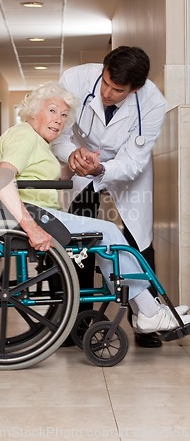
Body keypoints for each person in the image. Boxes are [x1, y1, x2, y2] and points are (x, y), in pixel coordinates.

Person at [0, 82, 190, 335]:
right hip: (36, 216)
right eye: (52, 111)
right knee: (110, 234)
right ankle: (149, 312)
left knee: (108, 234)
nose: (59, 120)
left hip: (41, 213)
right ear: (32, 112)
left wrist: (73, 166)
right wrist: (31, 228)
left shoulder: (36, 141)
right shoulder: (24, 136)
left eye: (64, 115)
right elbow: (1, 180)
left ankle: (147, 309)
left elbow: (39, 179)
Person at [52, 46, 169, 347]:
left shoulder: (153, 102)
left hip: (127, 169)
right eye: (105, 82)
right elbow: (59, 134)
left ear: (136, 88)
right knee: (79, 240)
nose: (107, 93)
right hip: (80, 160)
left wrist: (102, 167)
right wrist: (73, 155)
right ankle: (76, 321)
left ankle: (145, 324)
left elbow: (132, 161)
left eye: (117, 90)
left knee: (136, 240)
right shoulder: (75, 79)